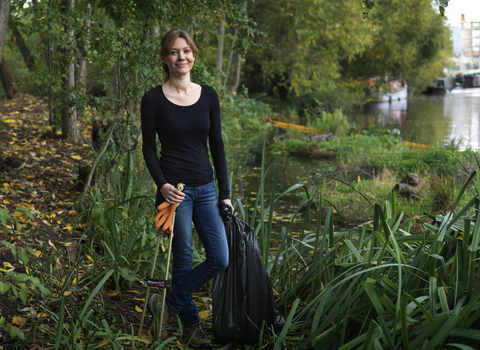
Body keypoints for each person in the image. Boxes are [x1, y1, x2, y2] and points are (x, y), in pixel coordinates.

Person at [140, 28, 233, 349]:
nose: (182, 57)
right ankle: (192, 328)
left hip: (206, 189)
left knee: (220, 258)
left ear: (194, 54)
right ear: (165, 58)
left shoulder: (208, 95)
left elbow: (217, 143)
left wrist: (225, 193)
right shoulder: (152, 98)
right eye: (174, 52)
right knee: (181, 262)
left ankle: (166, 302)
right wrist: (162, 185)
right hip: (174, 193)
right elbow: (149, 149)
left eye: (187, 51)